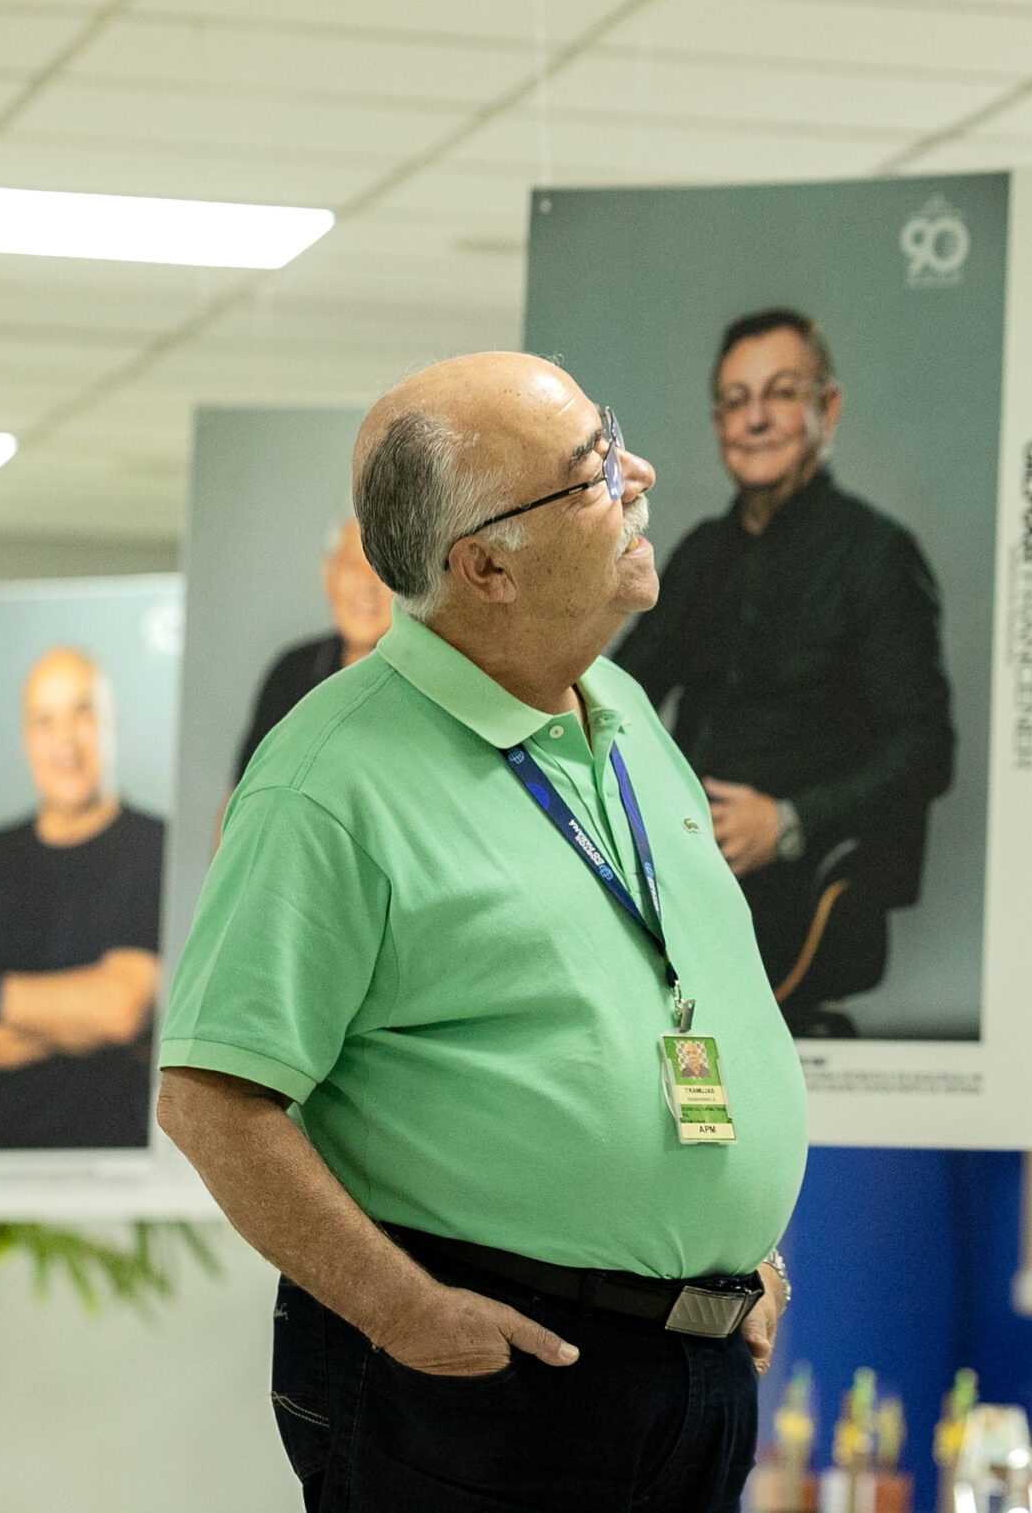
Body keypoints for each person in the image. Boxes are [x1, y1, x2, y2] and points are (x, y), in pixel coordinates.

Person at [157, 353, 805, 1513]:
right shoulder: (328, 780)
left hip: (693, 1372)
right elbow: (213, 1099)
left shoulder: (627, 719)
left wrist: (722, 1254)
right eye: (594, 471)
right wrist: (403, 1307)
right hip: (484, 1378)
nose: (642, 473)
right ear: (485, 564)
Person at [616, 309, 956, 1039]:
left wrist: (788, 823)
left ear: (825, 409)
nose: (756, 419)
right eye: (735, 401)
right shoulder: (701, 555)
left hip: (804, 891)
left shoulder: (875, 556)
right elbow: (622, 690)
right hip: (683, 871)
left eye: (779, 393)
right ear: (718, 424)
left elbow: (927, 749)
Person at [0, 647, 164, 1149]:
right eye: (44, 721)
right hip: (5, 1177)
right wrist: (82, 1017)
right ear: (25, 740)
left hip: (123, 1171)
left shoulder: (155, 845)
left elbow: (121, 1010)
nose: (65, 743)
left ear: (112, 722)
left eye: (83, 713)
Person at [235, 515, 394, 780]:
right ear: (328, 573)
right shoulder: (291, 673)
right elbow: (241, 797)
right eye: (353, 565)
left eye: (380, 568)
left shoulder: (433, 683)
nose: (367, 585)